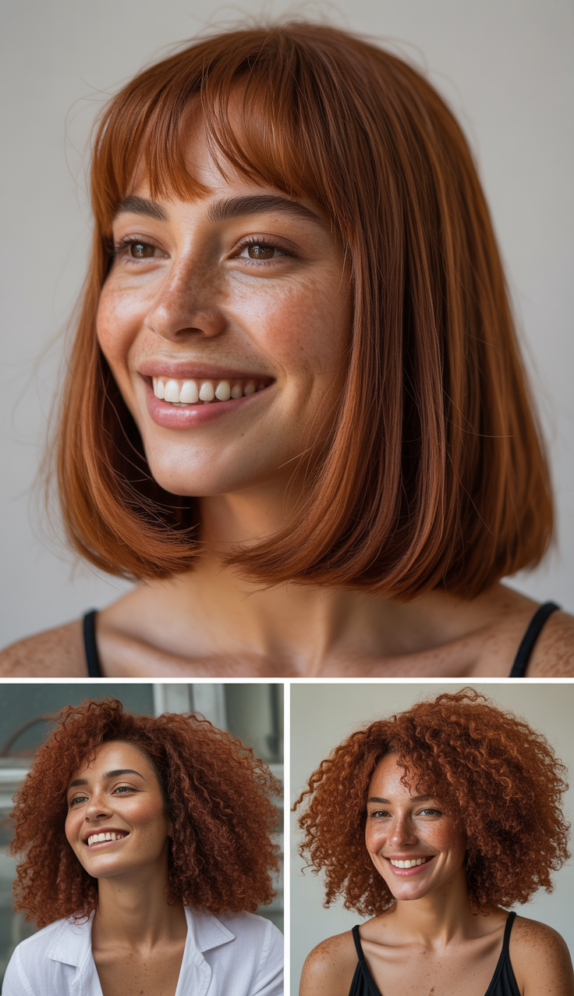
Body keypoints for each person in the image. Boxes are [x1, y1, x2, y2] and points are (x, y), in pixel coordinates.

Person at [1, 23, 573, 679]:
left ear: (409, 300)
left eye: (259, 249)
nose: (171, 310)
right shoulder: (24, 685)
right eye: (140, 247)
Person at [294, 688, 574, 996]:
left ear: (477, 822)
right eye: (380, 814)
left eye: (428, 811)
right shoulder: (329, 968)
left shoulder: (535, 954)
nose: (398, 837)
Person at [0, 698, 283, 996]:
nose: (93, 810)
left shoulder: (258, 949)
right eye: (78, 799)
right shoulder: (33, 967)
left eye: (121, 789)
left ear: (178, 815)